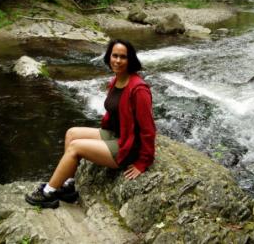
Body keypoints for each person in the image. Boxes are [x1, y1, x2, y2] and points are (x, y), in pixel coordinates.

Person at [25, 39, 156, 209]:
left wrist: (143, 162)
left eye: (123, 57)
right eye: (114, 55)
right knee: (72, 133)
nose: (117, 60)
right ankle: (68, 186)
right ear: (109, 57)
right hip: (117, 135)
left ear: (130, 59)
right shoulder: (116, 80)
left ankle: (48, 193)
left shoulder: (139, 89)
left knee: (76, 147)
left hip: (128, 147)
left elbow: (148, 129)